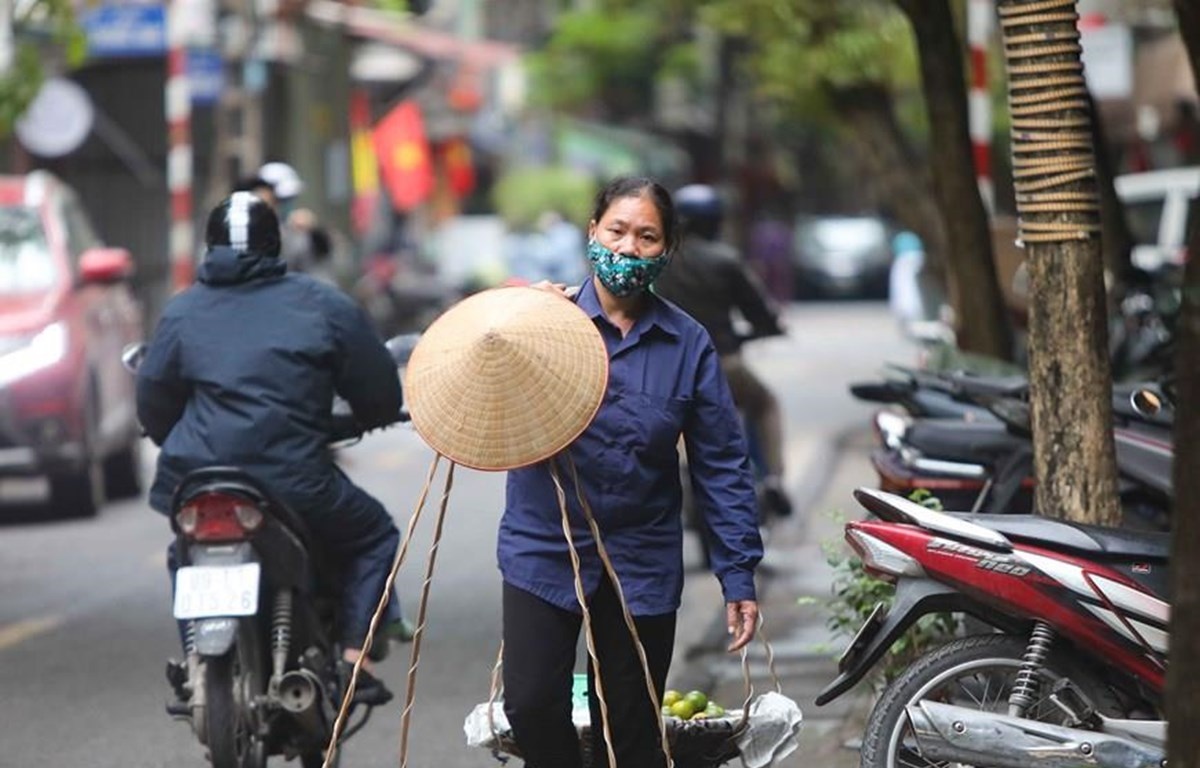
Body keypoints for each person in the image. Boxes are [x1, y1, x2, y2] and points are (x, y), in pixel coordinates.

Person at [501, 177, 764, 768]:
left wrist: (738, 572)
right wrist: (520, 318)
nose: (627, 247)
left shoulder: (688, 344)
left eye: (647, 236)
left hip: (640, 556)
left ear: (667, 251)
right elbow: (479, 377)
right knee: (530, 703)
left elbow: (721, 462)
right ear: (592, 231)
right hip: (546, 545)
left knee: (630, 726)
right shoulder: (547, 323)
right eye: (616, 231)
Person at [137, 192, 409, 707]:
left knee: (184, 553)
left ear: (209, 245)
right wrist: (368, 417)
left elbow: (153, 404)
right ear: (276, 242)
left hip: (196, 483)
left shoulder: (182, 310)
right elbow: (379, 393)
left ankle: (196, 664)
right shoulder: (322, 304)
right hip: (294, 482)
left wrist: (177, 436)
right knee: (373, 534)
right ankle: (354, 659)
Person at [652, 183, 792, 518]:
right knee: (765, 403)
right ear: (716, 221)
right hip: (723, 363)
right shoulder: (725, 260)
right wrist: (769, 327)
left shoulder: (659, 260)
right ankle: (773, 478)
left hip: (669, 366)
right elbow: (759, 310)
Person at [257, 161, 337, 283]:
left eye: (289, 199)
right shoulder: (254, 232)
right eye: (282, 200)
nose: (286, 205)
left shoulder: (298, 232)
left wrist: (314, 232)